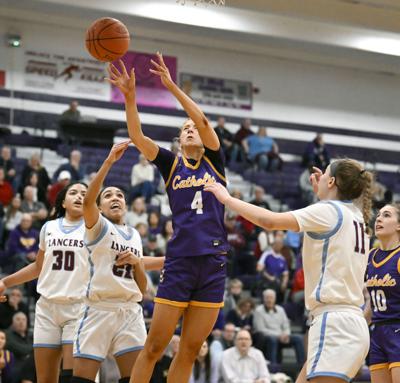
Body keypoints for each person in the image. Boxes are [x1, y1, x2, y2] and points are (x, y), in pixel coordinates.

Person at [107, 53, 229, 383]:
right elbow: (137, 136)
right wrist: (130, 98)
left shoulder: (215, 161)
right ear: (178, 141)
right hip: (180, 262)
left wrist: (172, 87)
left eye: (193, 129)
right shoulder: (171, 164)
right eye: (184, 129)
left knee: (189, 350)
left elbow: (202, 120)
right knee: (154, 347)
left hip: (214, 263)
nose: (190, 130)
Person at [205, 158, 373, 383]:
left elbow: (270, 221)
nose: (319, 177)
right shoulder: (356, 216)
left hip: (334, 323)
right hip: (350, 321)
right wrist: (322, 198)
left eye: (324, 175)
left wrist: (227, 199)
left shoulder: (328, 211)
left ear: (332, 181)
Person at [0, 179, 163, 383]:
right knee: (45, 378)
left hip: (79, 306)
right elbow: (38, 267)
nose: (80, 196)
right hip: (47, 305)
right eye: (74, 192)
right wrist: (6, 282)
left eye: (84, 193)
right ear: (63, 202)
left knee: (73, 376)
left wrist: (165, 261)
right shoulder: (49, 228)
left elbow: (128, 258)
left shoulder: (96, 227)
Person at [70, 141, 147, 383]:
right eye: (108, 195)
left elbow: (142, 289)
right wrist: (109, 161)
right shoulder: (99, 227)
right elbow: (87, 201)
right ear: (100, 207)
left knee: (135, 379)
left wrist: (139, 263)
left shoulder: (135, 235)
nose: (115, 198)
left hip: (130, 311)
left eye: (120, 195)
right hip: (99, 309)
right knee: (82, 379)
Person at [365, 204, 400, 383]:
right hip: (377, 333)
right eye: (378, 215)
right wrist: (361, 325)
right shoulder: (370, 257)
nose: (378, 219)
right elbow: (372, 301)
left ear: (398, 225)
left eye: (386, 215)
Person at [253, 289, 304, 365]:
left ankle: (302, 366)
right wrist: (279, 335)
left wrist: (286, 334)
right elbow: (260, 329)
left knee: (298, 338)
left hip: (282, 336)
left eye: (271, 298)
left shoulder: (280, 310)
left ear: (275, 299)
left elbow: (286, 325)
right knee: (273, 340)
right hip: (268, 337)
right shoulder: (258, 311)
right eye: (267, 298)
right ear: (263, 299)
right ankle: (273, 367)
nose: (269, 300)